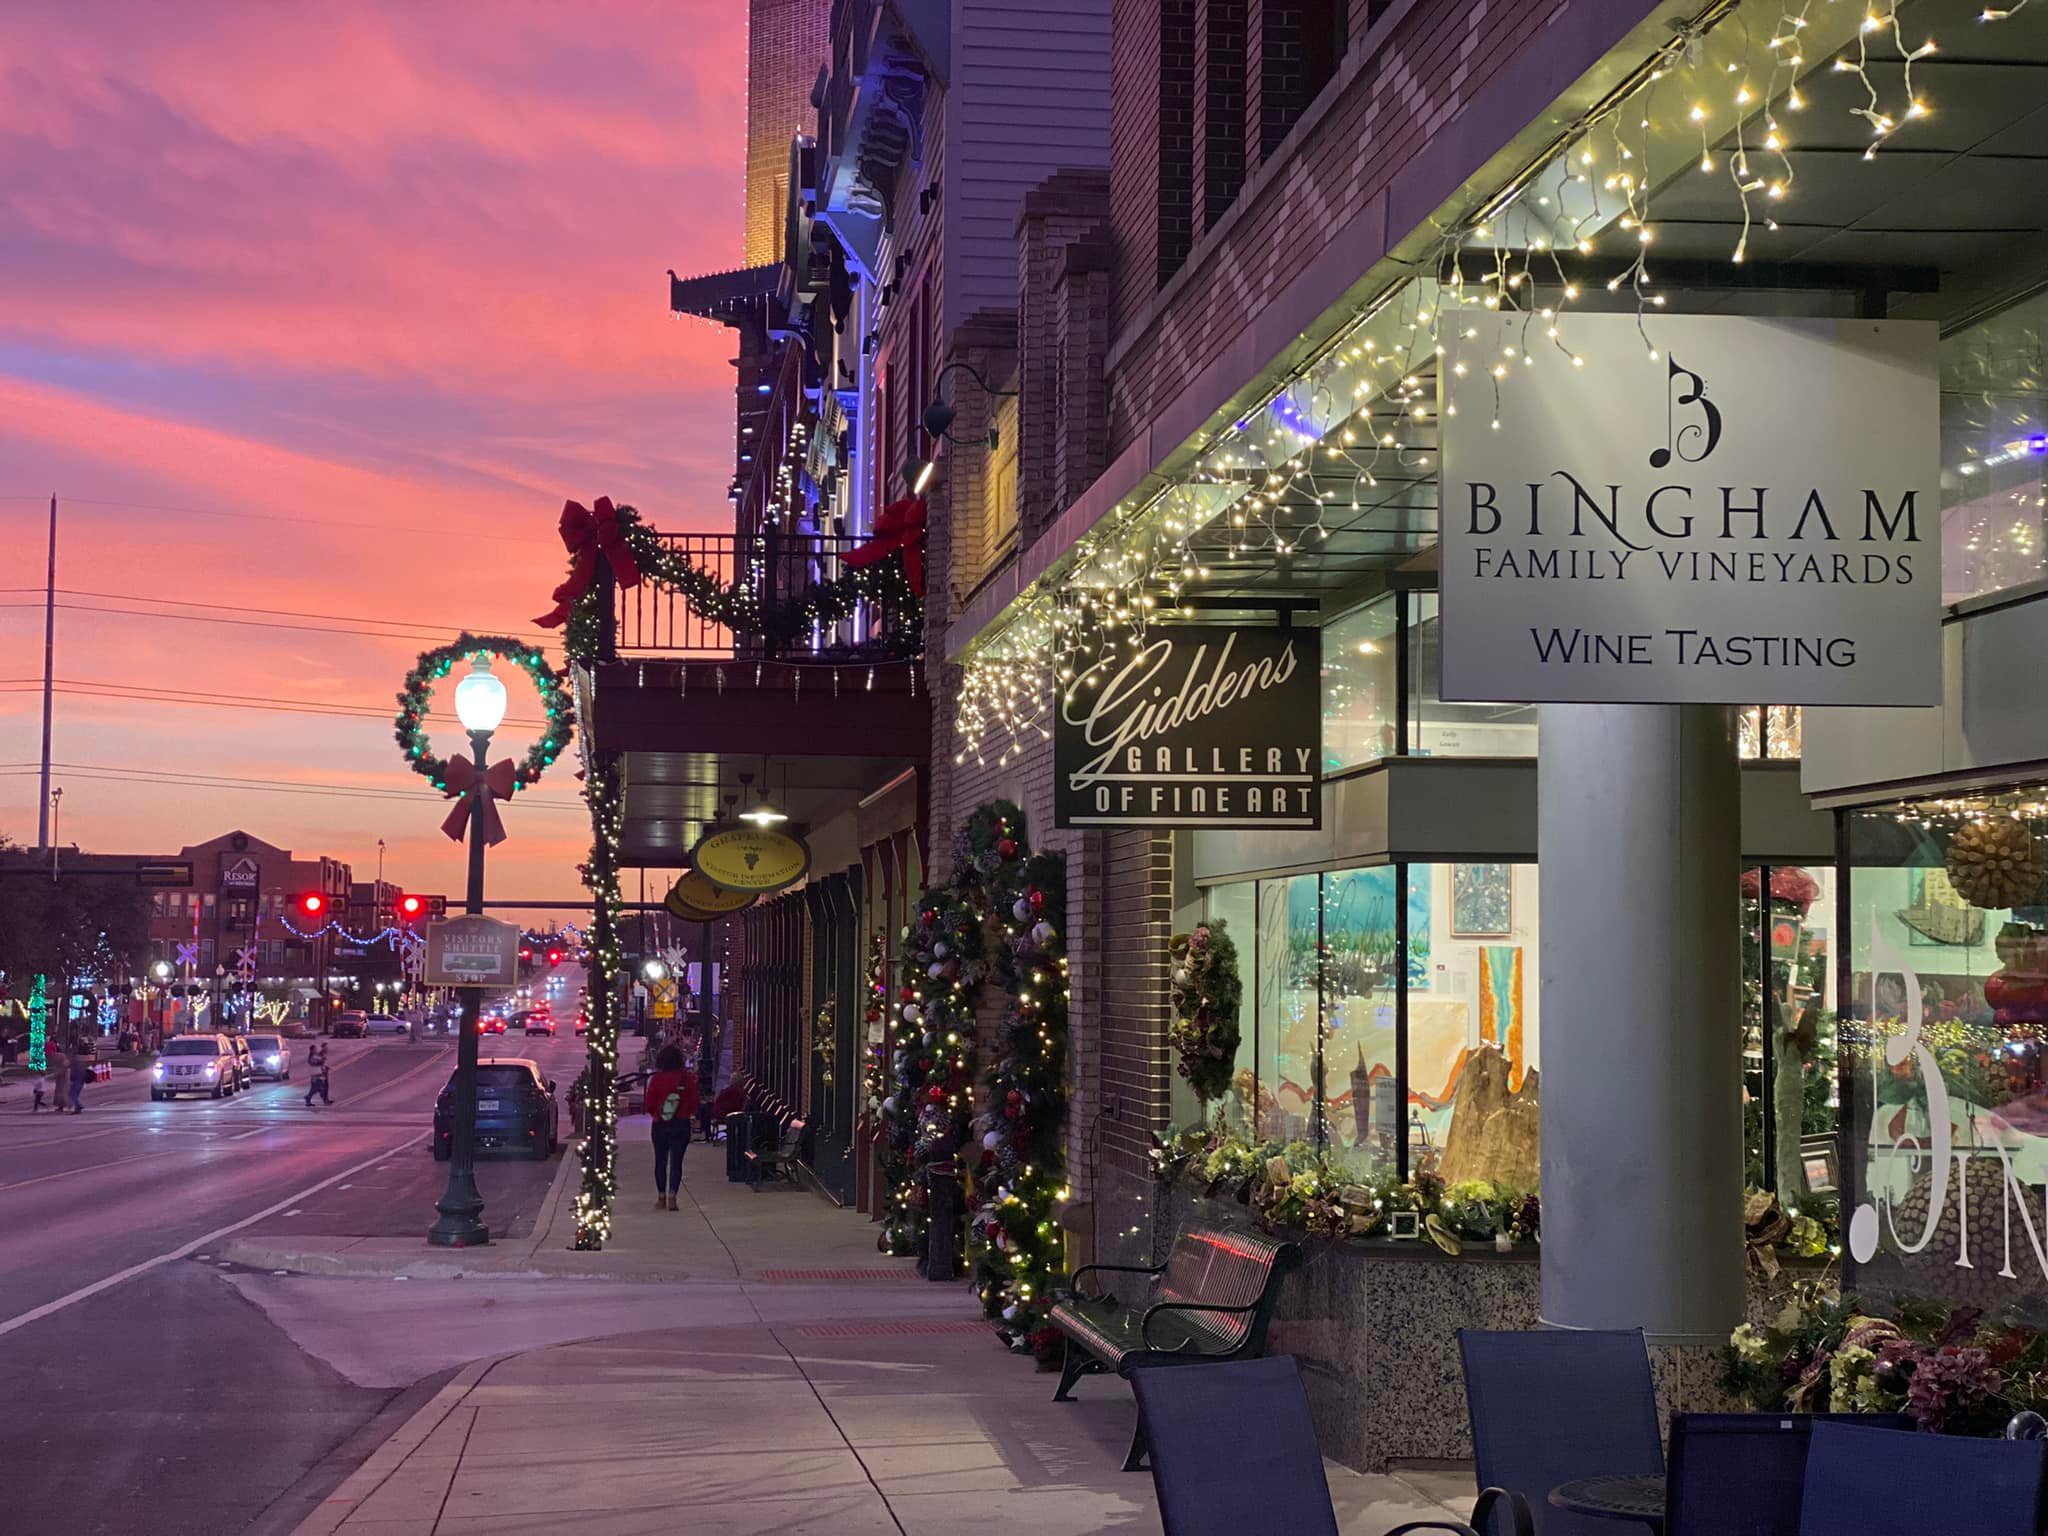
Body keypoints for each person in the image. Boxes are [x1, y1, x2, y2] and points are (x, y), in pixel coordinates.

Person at [643, 1044, 698, 1212]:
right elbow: (694, 1101)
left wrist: (658, 1115)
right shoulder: (686, 1079)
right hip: (681, 1124)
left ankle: (661, 1197)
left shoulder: (656, 1079)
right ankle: (673, 1195)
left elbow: (649, 1104)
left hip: (660, 1124)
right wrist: (686, 1114)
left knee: (660, 1161)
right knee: (677, 1161)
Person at [67, 1039, 93, 1114]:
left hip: (77, 1079)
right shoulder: (79, 1059)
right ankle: (78, 1105)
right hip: (80, 1078)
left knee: (72, 1093)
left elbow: (74, 1070)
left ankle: (78, 1106)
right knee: (75, 1093)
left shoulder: (75, 1060)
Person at [303, 1040, 331, 1107]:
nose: (316, 1050)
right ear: (312, 1050)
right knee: (319, 1087)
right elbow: (320, 1060)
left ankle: (308, 1099)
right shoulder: (313, 1056)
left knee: (316, 1088)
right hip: (316, 1074)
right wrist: (322, 1059)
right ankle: (310, 1098)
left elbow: (320, 1061)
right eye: (315, 1049)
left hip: (317, 1073)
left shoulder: (314, 1056)